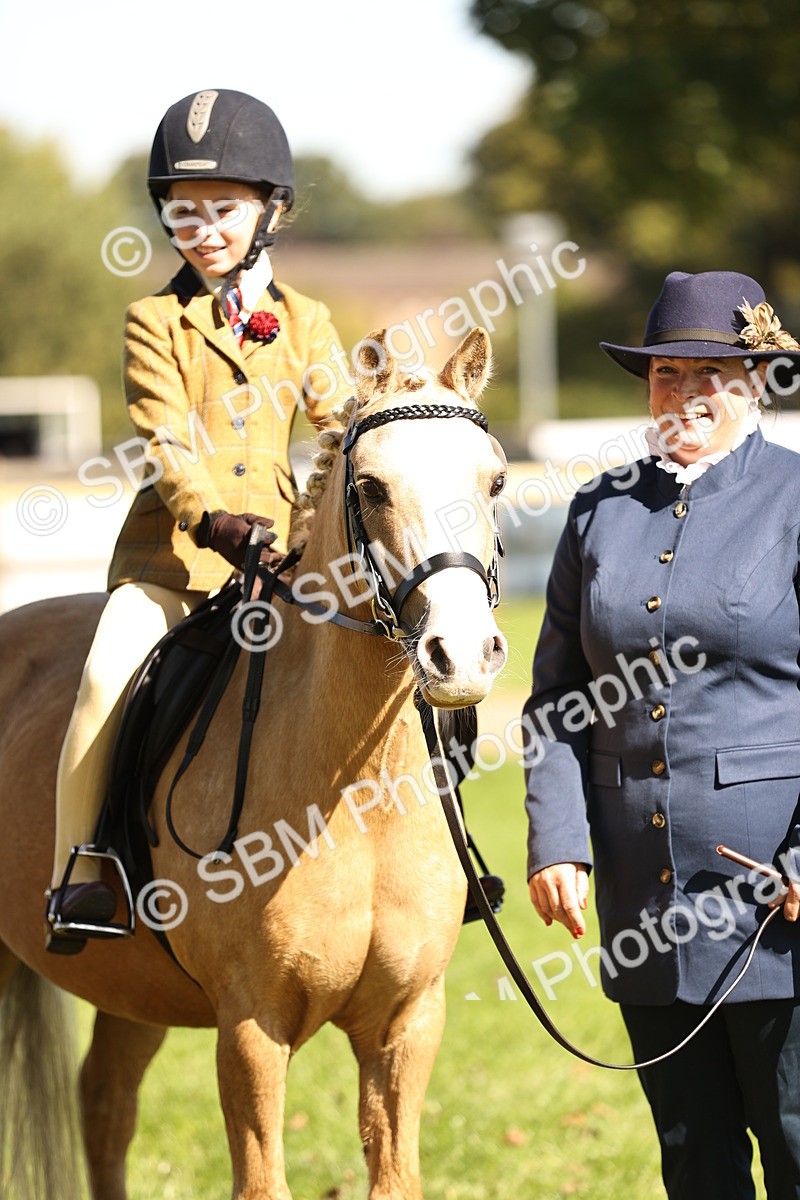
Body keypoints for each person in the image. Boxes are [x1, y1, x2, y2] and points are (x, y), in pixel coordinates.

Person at [46, 89, 351, 951]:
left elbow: (335, 424)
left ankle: (443, 843)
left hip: (285, 564)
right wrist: (209, 518)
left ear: (272, 212)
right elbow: (165, 436)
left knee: (389, 649)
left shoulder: (306, 322)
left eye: (223, 210)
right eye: (184, 214)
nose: (203, 228)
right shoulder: (154, 321)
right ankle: (81, 872)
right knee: (105, 680)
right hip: (176, 564)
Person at [523, 270, 800, 1199]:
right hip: (646, 908)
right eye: (663, 374)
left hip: (776, 904)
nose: (681, 395)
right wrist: (556, 839)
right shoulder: (598, 511)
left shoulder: (796, 498)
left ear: (754, 378)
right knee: (694, 1163)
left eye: (705, 374)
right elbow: (556, 699)